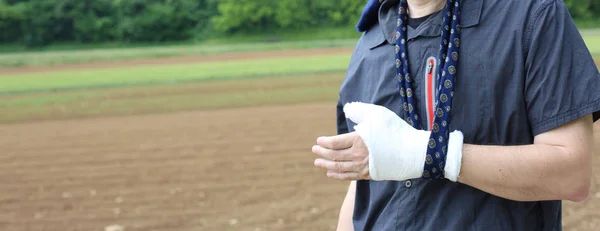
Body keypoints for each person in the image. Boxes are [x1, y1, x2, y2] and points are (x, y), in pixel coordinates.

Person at [310, 0, 600, 230]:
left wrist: (430, 154)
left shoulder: (533, 15)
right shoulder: (369, 44)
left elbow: (571, 173)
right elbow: (361, 188)